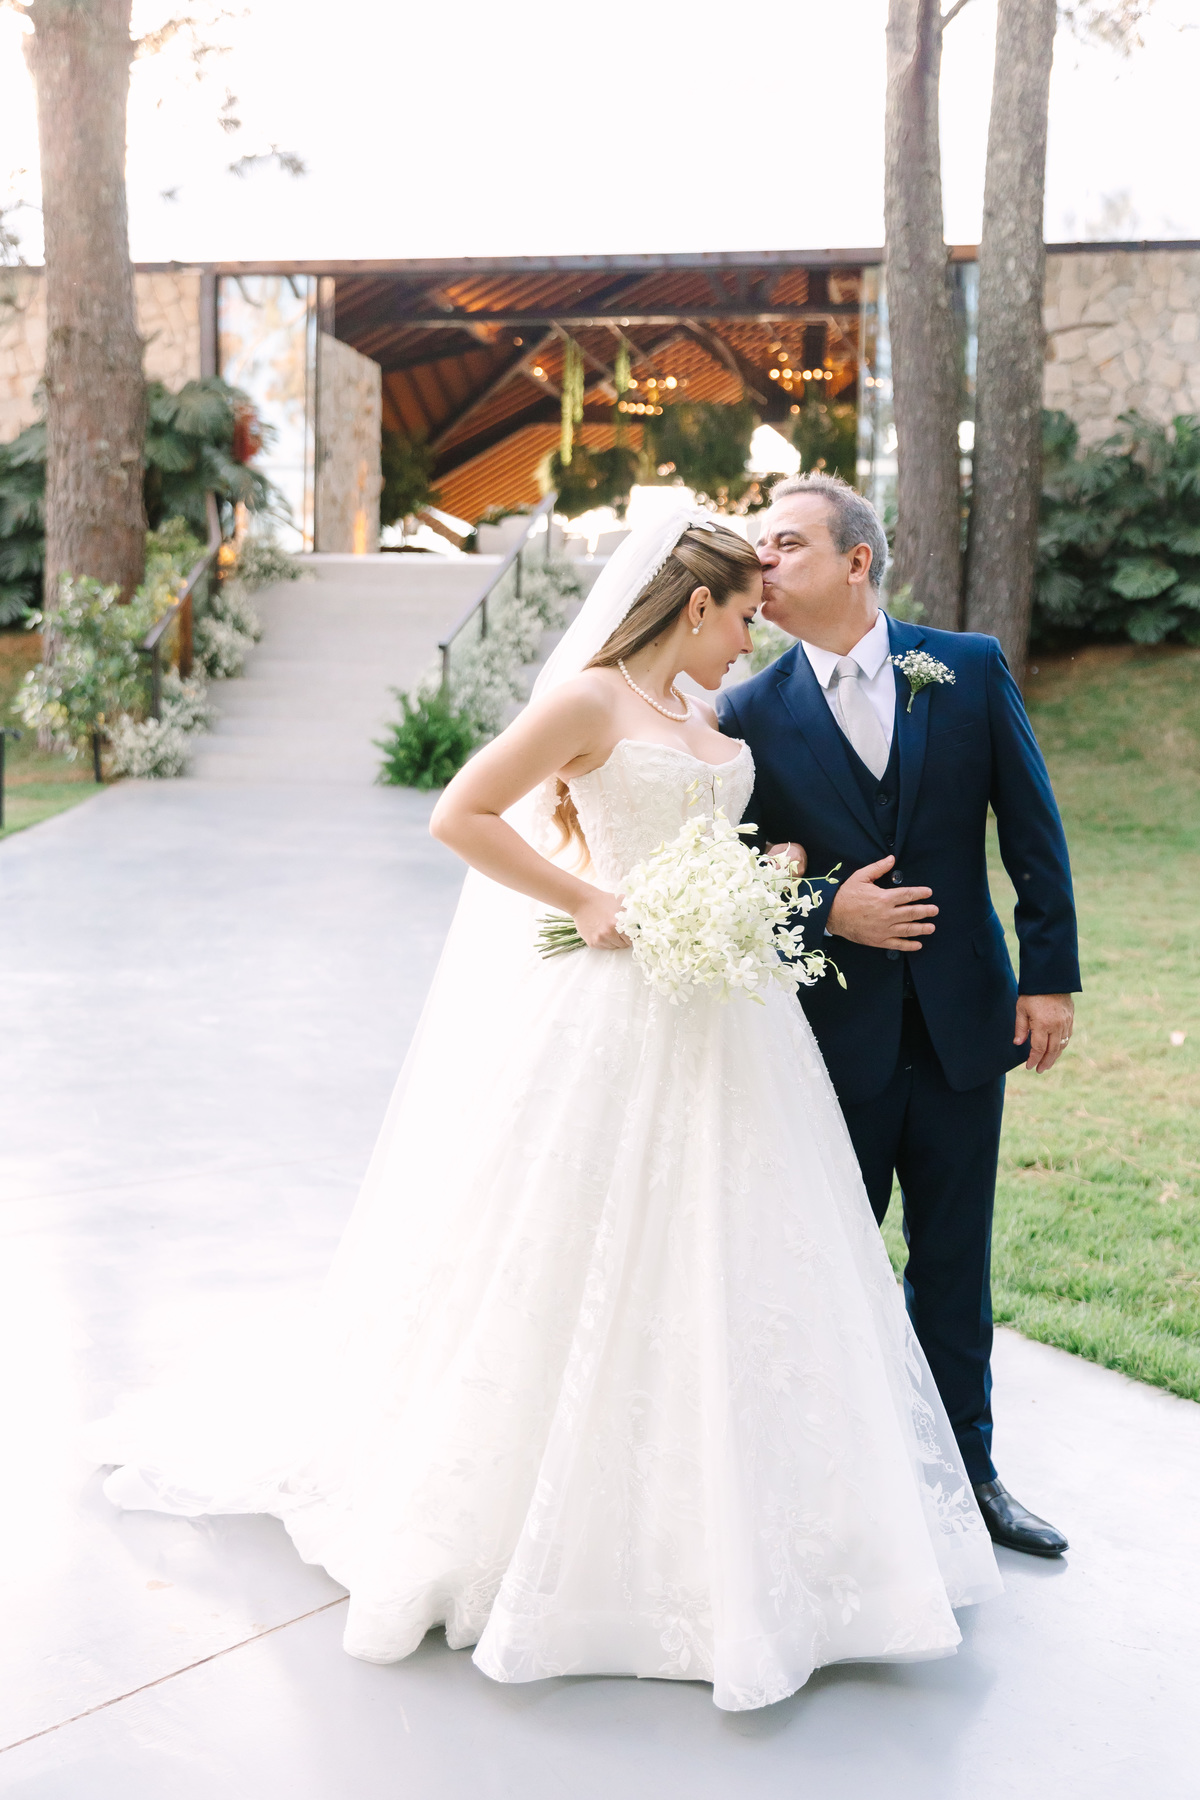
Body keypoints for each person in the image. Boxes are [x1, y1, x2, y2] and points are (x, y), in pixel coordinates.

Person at [91, 507, 1001, 1714]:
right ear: (693, 607)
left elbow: (732, 841)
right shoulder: (589, 702)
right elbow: (459, 812)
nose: (750, 635)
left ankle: (754, 1530)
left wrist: (766, 882)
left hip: (730, 1022)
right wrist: (590, 900)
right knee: (574, 1255)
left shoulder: (709, 715)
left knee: (741, 1269)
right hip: (612, 1014)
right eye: (739, 615)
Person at [718, 474, 1080, 1558]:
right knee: (829, 1266)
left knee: (955, 1268)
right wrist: (832, 905)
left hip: (970, 1022)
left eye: (783, 546)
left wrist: (1048, 976)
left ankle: (970, 1485)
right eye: (757, 550)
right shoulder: (745, 712)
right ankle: (840, 1493)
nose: (761, 567)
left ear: (857, 561)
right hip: (833, 1040)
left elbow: (1032, 825)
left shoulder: (963, 668)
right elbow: (722, 873)